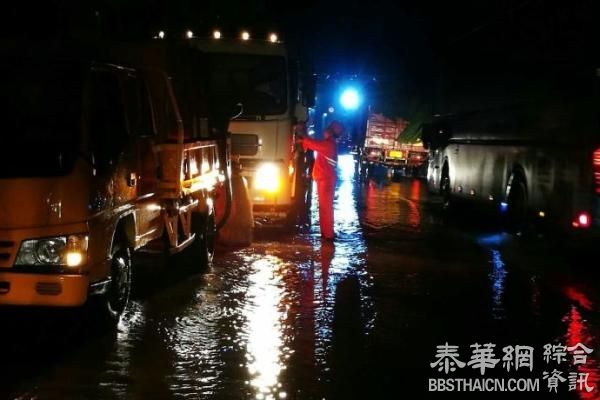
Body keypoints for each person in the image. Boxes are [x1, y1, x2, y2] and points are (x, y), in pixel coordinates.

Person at [297, 121, 343, 240]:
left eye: (328, 129)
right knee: (324, 208)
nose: (325, 131)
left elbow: (312, 144)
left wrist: (303, 133)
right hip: (325, 178)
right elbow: (313, 143)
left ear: (331, 133)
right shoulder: (328, 144)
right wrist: (304, 135)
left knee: (325, 208)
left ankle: (328, 235)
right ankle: (326, 233)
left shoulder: (328, 145)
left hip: (326, 179)